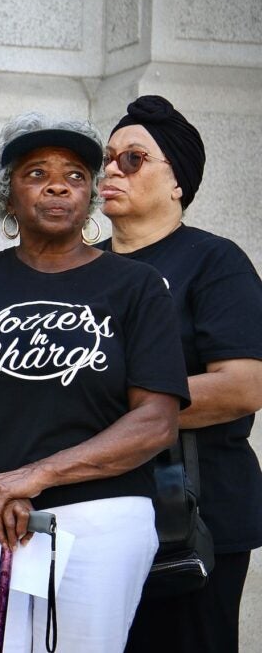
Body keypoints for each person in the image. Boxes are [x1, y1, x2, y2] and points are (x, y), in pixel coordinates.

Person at [0, 112, 190, 651]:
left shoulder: (137, 286)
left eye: (76, 175)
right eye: (35, 173)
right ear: (6, 197)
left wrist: (30, 478)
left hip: (99, 519)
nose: (58, 184)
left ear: (91, 196)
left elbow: (156, 420)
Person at [98, 95, 262, 653]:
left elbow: (243, 386)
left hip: (192, 519)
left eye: (134, 159)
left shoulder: (214, 263)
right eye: (108, 156)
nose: (111, 170)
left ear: (178, 183)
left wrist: (109, 402)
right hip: (90, 513)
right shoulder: (77, 266)